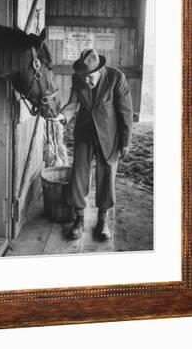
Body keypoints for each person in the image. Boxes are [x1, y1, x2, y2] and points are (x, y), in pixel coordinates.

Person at [53, 48, 133, 241]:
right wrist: (63, 116)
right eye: (83, 77)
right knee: (79, 175)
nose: (86, 81)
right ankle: (79, 219)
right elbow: (73, 103)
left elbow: (126, 112)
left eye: (90, 77)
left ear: (99, 70)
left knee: (106, 176)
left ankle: (102, 221)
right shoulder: (78, 78)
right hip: (85, 132)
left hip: (109, 134)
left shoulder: (116, 78)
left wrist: (125, 142)